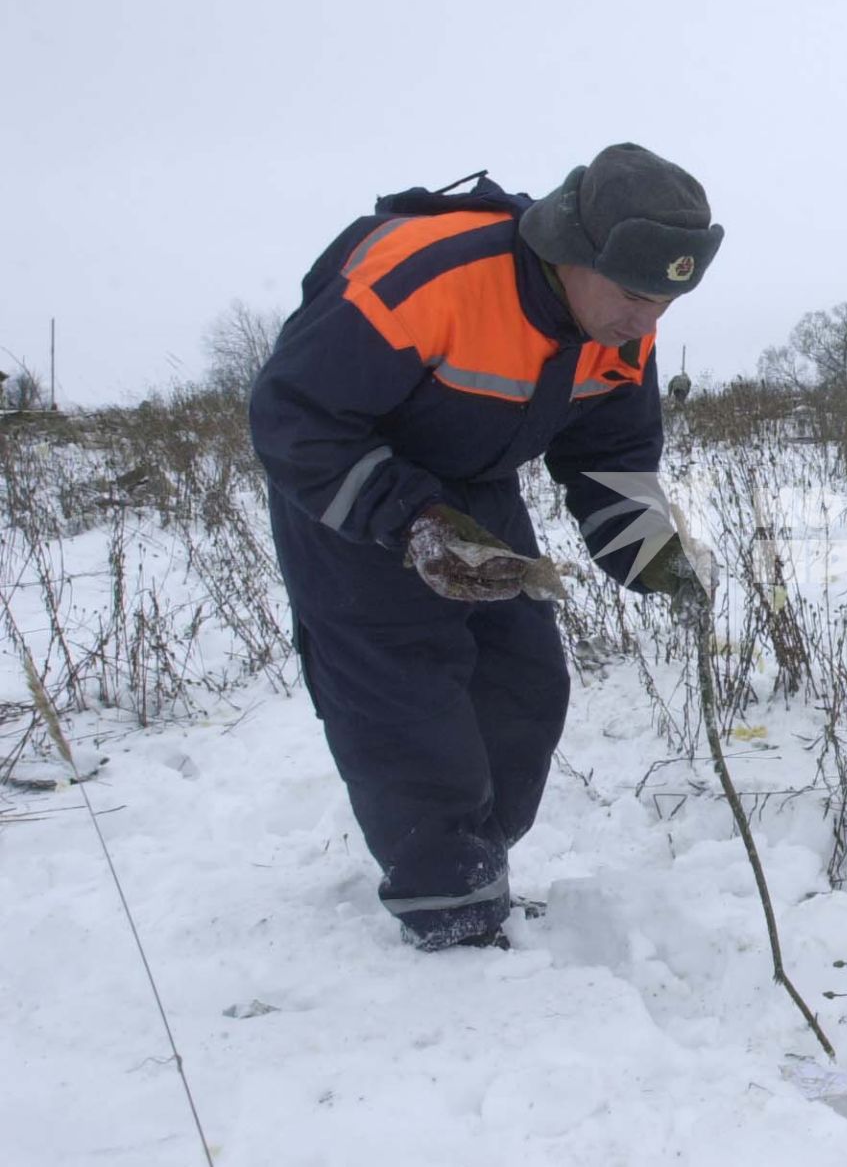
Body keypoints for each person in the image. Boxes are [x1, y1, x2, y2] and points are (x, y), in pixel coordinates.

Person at [250, 143, 719, 951]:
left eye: (666, 304)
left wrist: (655, 558)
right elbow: (293, 417)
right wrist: (414, 524)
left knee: (523, 681)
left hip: (478, 488)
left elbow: (610, 462)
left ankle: (474, 858)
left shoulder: (620, 333)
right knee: (406, 699)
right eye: (636, 296)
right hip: (352, 493)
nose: (647, 324)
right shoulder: (429, 279)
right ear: (575, 253)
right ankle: (448, 906)